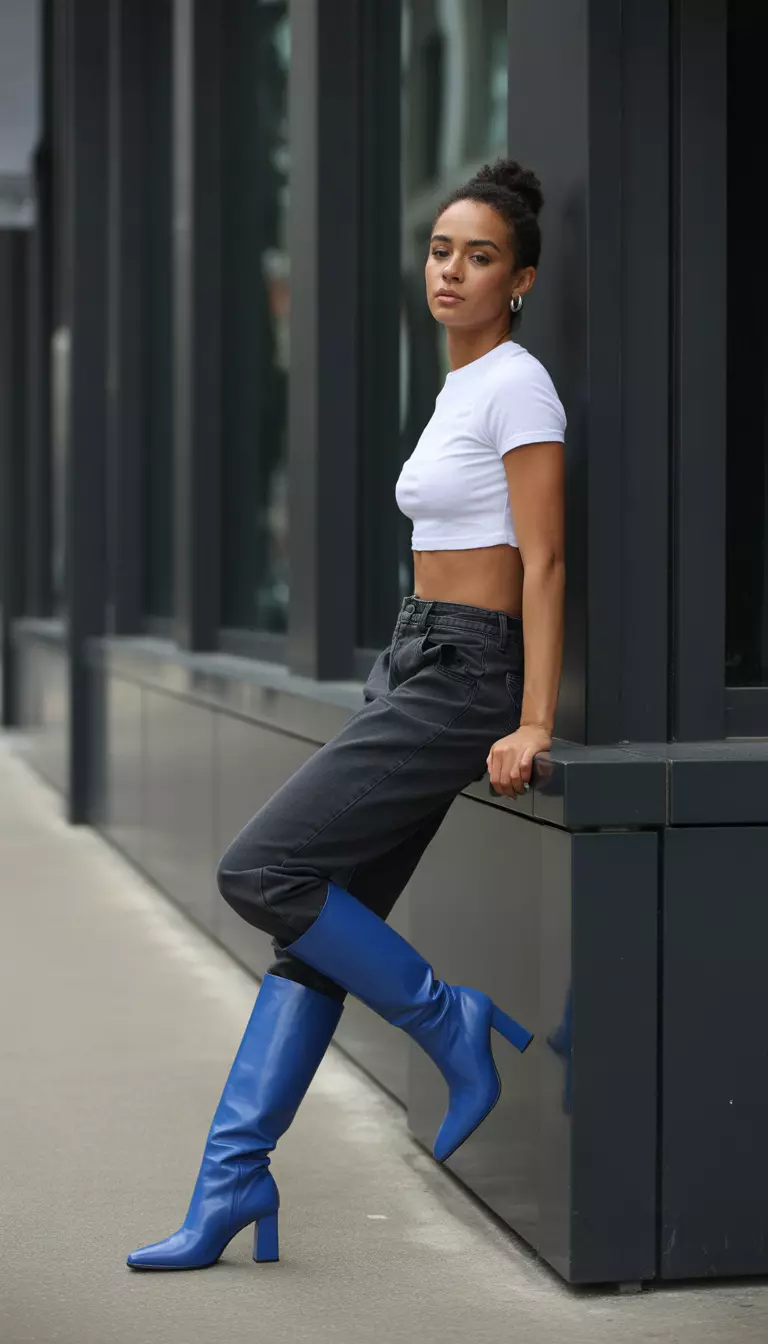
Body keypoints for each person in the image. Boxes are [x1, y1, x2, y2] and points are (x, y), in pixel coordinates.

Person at [127, 158, 566, 1271]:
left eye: (479, 257)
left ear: (520, 279)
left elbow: (548, 561)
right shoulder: (459, 385)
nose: (452, 271)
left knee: (260, 872)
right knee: (312, 937)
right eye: (441, 250)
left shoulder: (519, 383)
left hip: (467, 672)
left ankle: (443, 1019)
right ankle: (232, 1186)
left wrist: (533, 719)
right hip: (413, 654)